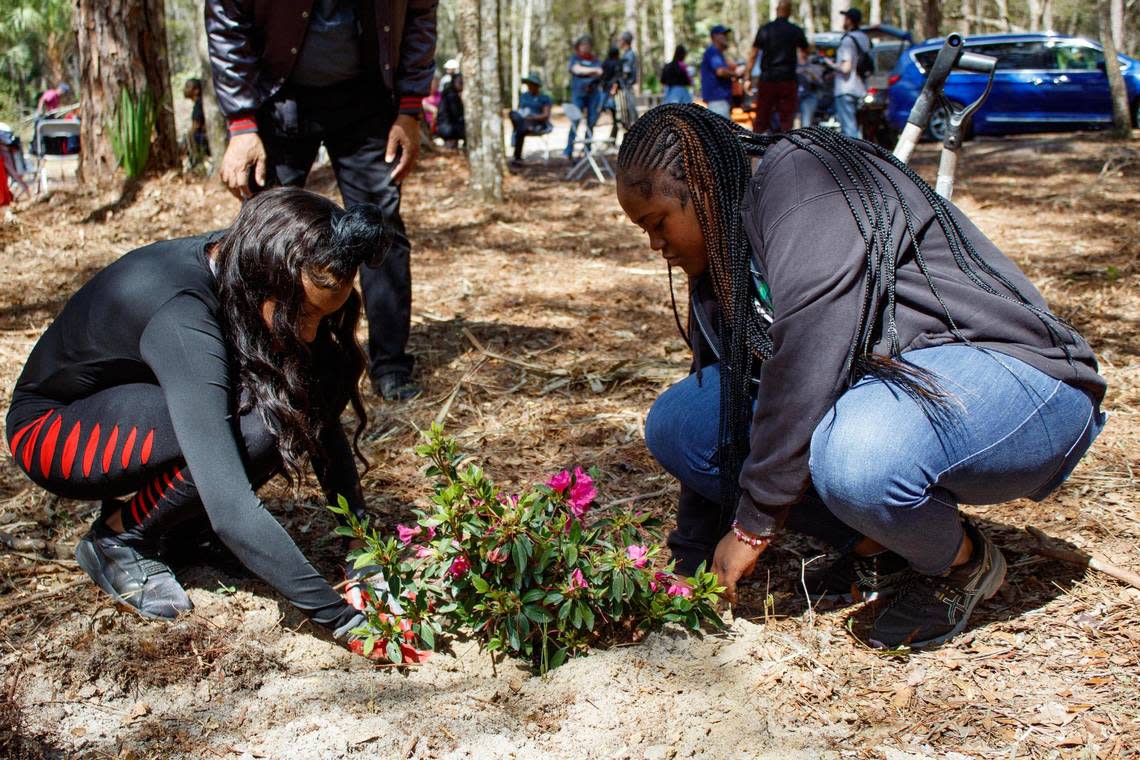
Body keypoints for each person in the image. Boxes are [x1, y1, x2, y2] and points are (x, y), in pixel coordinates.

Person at [614, 104, 1106, 650]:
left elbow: (806, 361)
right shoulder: (723, 258)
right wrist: (692, 559)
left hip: (1023, 383)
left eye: (658, 223)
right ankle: (881, 547)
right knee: (683, 422)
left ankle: (962, 562)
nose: (655, 245)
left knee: (857, 455)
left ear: (702, 186)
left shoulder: (806, 181)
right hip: (902, 394)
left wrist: (753, 526)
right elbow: (730, 406)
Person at [5, 188, 391, 651]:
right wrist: (346, 622)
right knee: (260, 421)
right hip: (55, 434)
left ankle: (181, 531)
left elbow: (323, 423)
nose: (308, 329)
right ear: (261, 279)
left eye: (321, 313)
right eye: (301, 313)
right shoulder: (183, 317)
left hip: (138, 405)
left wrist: (361, 545)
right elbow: (230, 505)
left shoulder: (252, 260)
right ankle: (118, 539)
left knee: (311, 376)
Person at [206, 0, 437, 402]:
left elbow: (419, 16)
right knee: (264, 231)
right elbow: (227, 21)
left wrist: (411, 109)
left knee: (380, 229)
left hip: (368, 97)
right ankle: (256, 360)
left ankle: (391, 365)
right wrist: (241, 122)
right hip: (279, 96)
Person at [745, 1, 809, 134]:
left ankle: (756, 146)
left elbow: (753, 54)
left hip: (768, 78)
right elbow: (806, 50)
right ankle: (785, 146)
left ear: (776, 10)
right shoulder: (795, 30)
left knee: (762, 116)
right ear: (789, 12)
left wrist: (747, 77)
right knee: (786, 118)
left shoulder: (765, 29)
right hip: (787, 79)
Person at [824, 8, 870, 138]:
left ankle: (855, 157)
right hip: (860, 88)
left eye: (845, 18)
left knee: (849, 130)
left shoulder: (847, 40)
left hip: (846, 89)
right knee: (857, 128)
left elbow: (846, 68)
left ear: (849, 20)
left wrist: (830, 64)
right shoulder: (864, 38)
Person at [565, 35, 604, 158]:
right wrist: (592, 71)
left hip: (593, 94)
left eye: (588, 45)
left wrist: (589, 70)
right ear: (579, 46)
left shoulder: (594, 59)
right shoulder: (575, 58)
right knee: (575, 120)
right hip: (578, 93)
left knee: (591, 121)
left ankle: (587, 149)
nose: (586, 47)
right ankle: (569, 149)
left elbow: (600, 72)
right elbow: (576, 70)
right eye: (583, 45)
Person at [700, 25, 742, 120]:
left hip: (721, 100)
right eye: (723, 34)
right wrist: (736, 74)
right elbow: (720, 72)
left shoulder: (718, 53)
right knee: (721, 133)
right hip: (717, 100)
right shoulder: (713, 51)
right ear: (714, 37)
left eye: (726, 34)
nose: (725, 37)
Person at [509, 74, 553, 164]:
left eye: (531, 84)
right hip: (523, 122)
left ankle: (517, 158)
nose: (529, 87)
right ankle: (517, 157)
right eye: (528, 84)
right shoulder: (524, 97)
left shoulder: (544, 98)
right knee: (513, 114)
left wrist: (533, 117)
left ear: (537, 86)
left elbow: (545, 115)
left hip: (538, 124)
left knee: (519, 130)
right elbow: (520, 112)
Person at [183, 78, 211, 167]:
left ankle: (196, 164)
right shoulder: (199, 104)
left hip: (204, 139)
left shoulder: (199, 105)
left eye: (188, 87)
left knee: (189, 136)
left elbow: (196, 126)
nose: (184, 89)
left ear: (196, 90)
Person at [435, 74, 466, 149]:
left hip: (445, 127)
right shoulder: (451, 95)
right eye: (460, 83)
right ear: (454, 82)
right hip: (447, 129)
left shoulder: (448, 93)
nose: (462, 85)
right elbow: (457, 114)